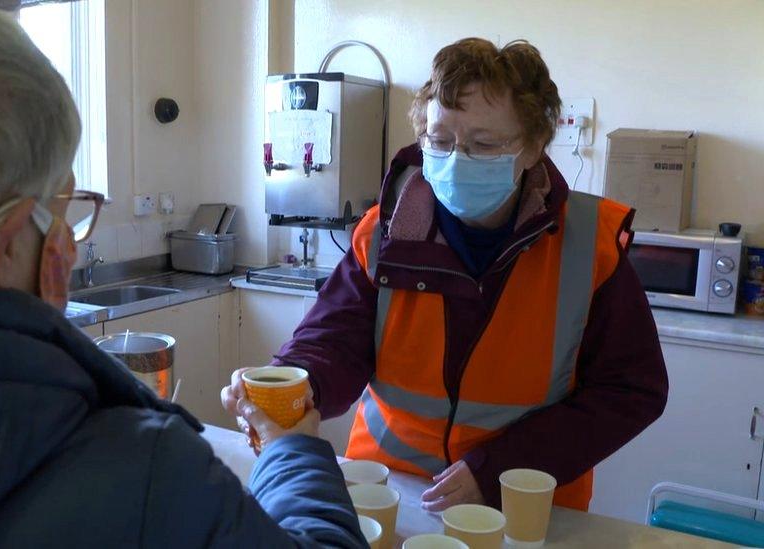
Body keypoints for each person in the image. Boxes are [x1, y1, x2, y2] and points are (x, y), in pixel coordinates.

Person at [0, 1, 364, 547]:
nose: (67, 240)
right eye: (62, 211)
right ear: (10, 246)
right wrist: (295, 453)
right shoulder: (142, 475)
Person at [224, 38, 668, 513]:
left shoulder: (589, 243)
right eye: (439, 141)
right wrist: (296, 384)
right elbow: (334, 339)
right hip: (389, 492)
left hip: (522, 501)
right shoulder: (384, 233)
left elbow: (631, 388)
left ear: (534, 145)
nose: (457, 160)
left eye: (485, 144)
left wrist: (500, 469)